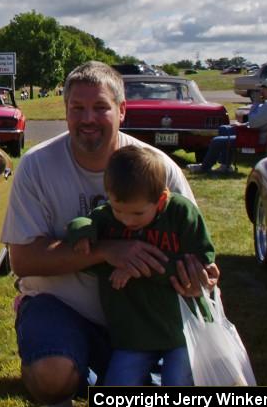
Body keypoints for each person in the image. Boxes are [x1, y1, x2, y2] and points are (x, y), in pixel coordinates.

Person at [1, 61, 219, 407]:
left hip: (143, 317)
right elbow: (21, 259)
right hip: (62, 306)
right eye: (77, 108)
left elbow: (198, 249)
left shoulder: (160, 169)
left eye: (100, 107)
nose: (88, 118)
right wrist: (105, 251)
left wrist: (201, 275)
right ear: (65, 111)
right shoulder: (37, 167)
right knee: (51, 373)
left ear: (121, 110)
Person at [65, 144, 215, 386]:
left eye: (137, 214)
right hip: (133, 335)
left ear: (161, 200)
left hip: (180, 329)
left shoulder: (181, 214)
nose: (126, 220)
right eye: (118, 210)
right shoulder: (109, 217)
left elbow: (201, 259)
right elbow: (84, 222)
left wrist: (134, 269)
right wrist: (83, 233)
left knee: (177, 381)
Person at [188, 77, 267, 173]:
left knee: (217, 141)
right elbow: (258, 122)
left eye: (264, 88)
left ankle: (204, 167)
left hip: (256, 138)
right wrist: (243, 124)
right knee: (224, 128)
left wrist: (256, 103)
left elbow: (253, 122)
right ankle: (225, 165)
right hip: (256, 134)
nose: (261, 91)